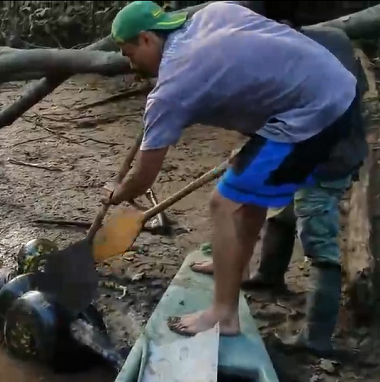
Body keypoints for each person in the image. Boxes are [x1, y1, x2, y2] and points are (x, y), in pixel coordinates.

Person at [105, 1, 361, 337]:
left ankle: (223, 314)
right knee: (248, 194)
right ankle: (233, 268)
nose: (130, 63)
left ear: (148, 40)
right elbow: (260, 64)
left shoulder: (172, 88)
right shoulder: (214, 13)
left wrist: (118, 192)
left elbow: (144, 176)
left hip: (315, 115)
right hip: (337, 86)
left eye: (128, 52)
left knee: (222, 202)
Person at [189, 22, 368, 356]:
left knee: (318, 241)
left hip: (329, 157)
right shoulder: (303, 42)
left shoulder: (310, 47)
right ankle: (269, 276)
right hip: (305, 148)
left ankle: (316, 337)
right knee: (280, 212)